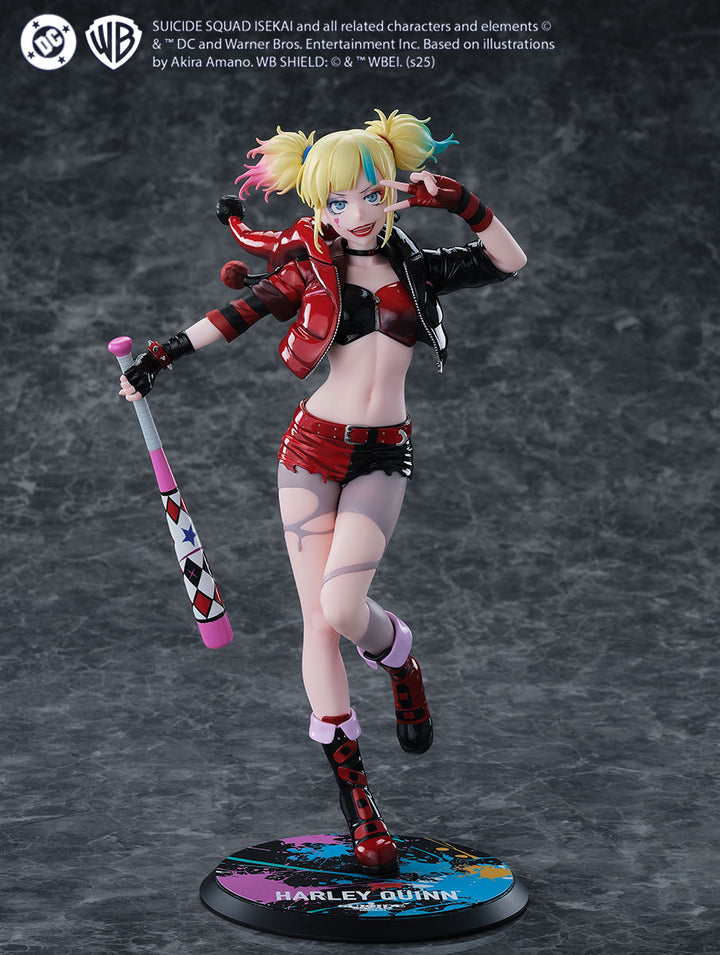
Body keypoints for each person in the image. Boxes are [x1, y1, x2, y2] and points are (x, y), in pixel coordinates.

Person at [119, 109, 527, 875]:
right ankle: (360, 804)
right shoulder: (311, 270)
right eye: (338, 200)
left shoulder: (419, 267)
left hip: (381, 452)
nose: (358, 211)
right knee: (318, 620)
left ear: (393, 191)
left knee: (344, 608)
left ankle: (398, 655)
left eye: (372, 193)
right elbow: (236, 315)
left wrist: (460, 202)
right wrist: (159, 356)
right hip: (310, 450)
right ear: (318, 205)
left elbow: (508, 260)